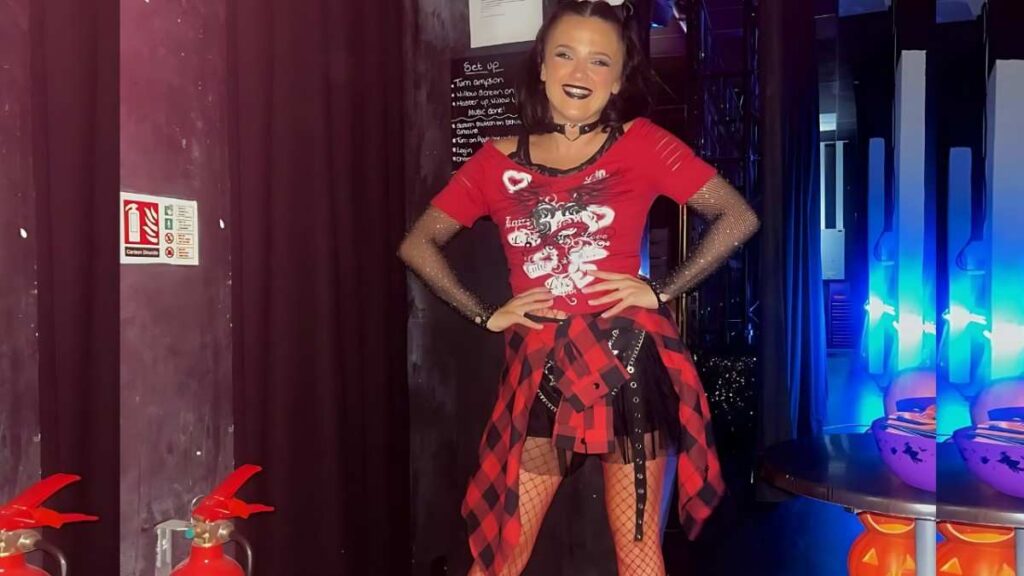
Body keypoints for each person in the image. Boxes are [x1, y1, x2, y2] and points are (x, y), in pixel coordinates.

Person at [398, 1, 760, 574]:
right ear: (541, 64)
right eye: (565, 55)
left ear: (617, 80)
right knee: (504, 549)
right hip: (539, 366)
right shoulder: (494, 161)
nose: (579, 73)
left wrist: (662, 291)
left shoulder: (642, 143)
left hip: (629, 363)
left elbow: (736, 216)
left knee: (637, 550)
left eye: (600, 61)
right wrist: (485, 313)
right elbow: (418, 243)